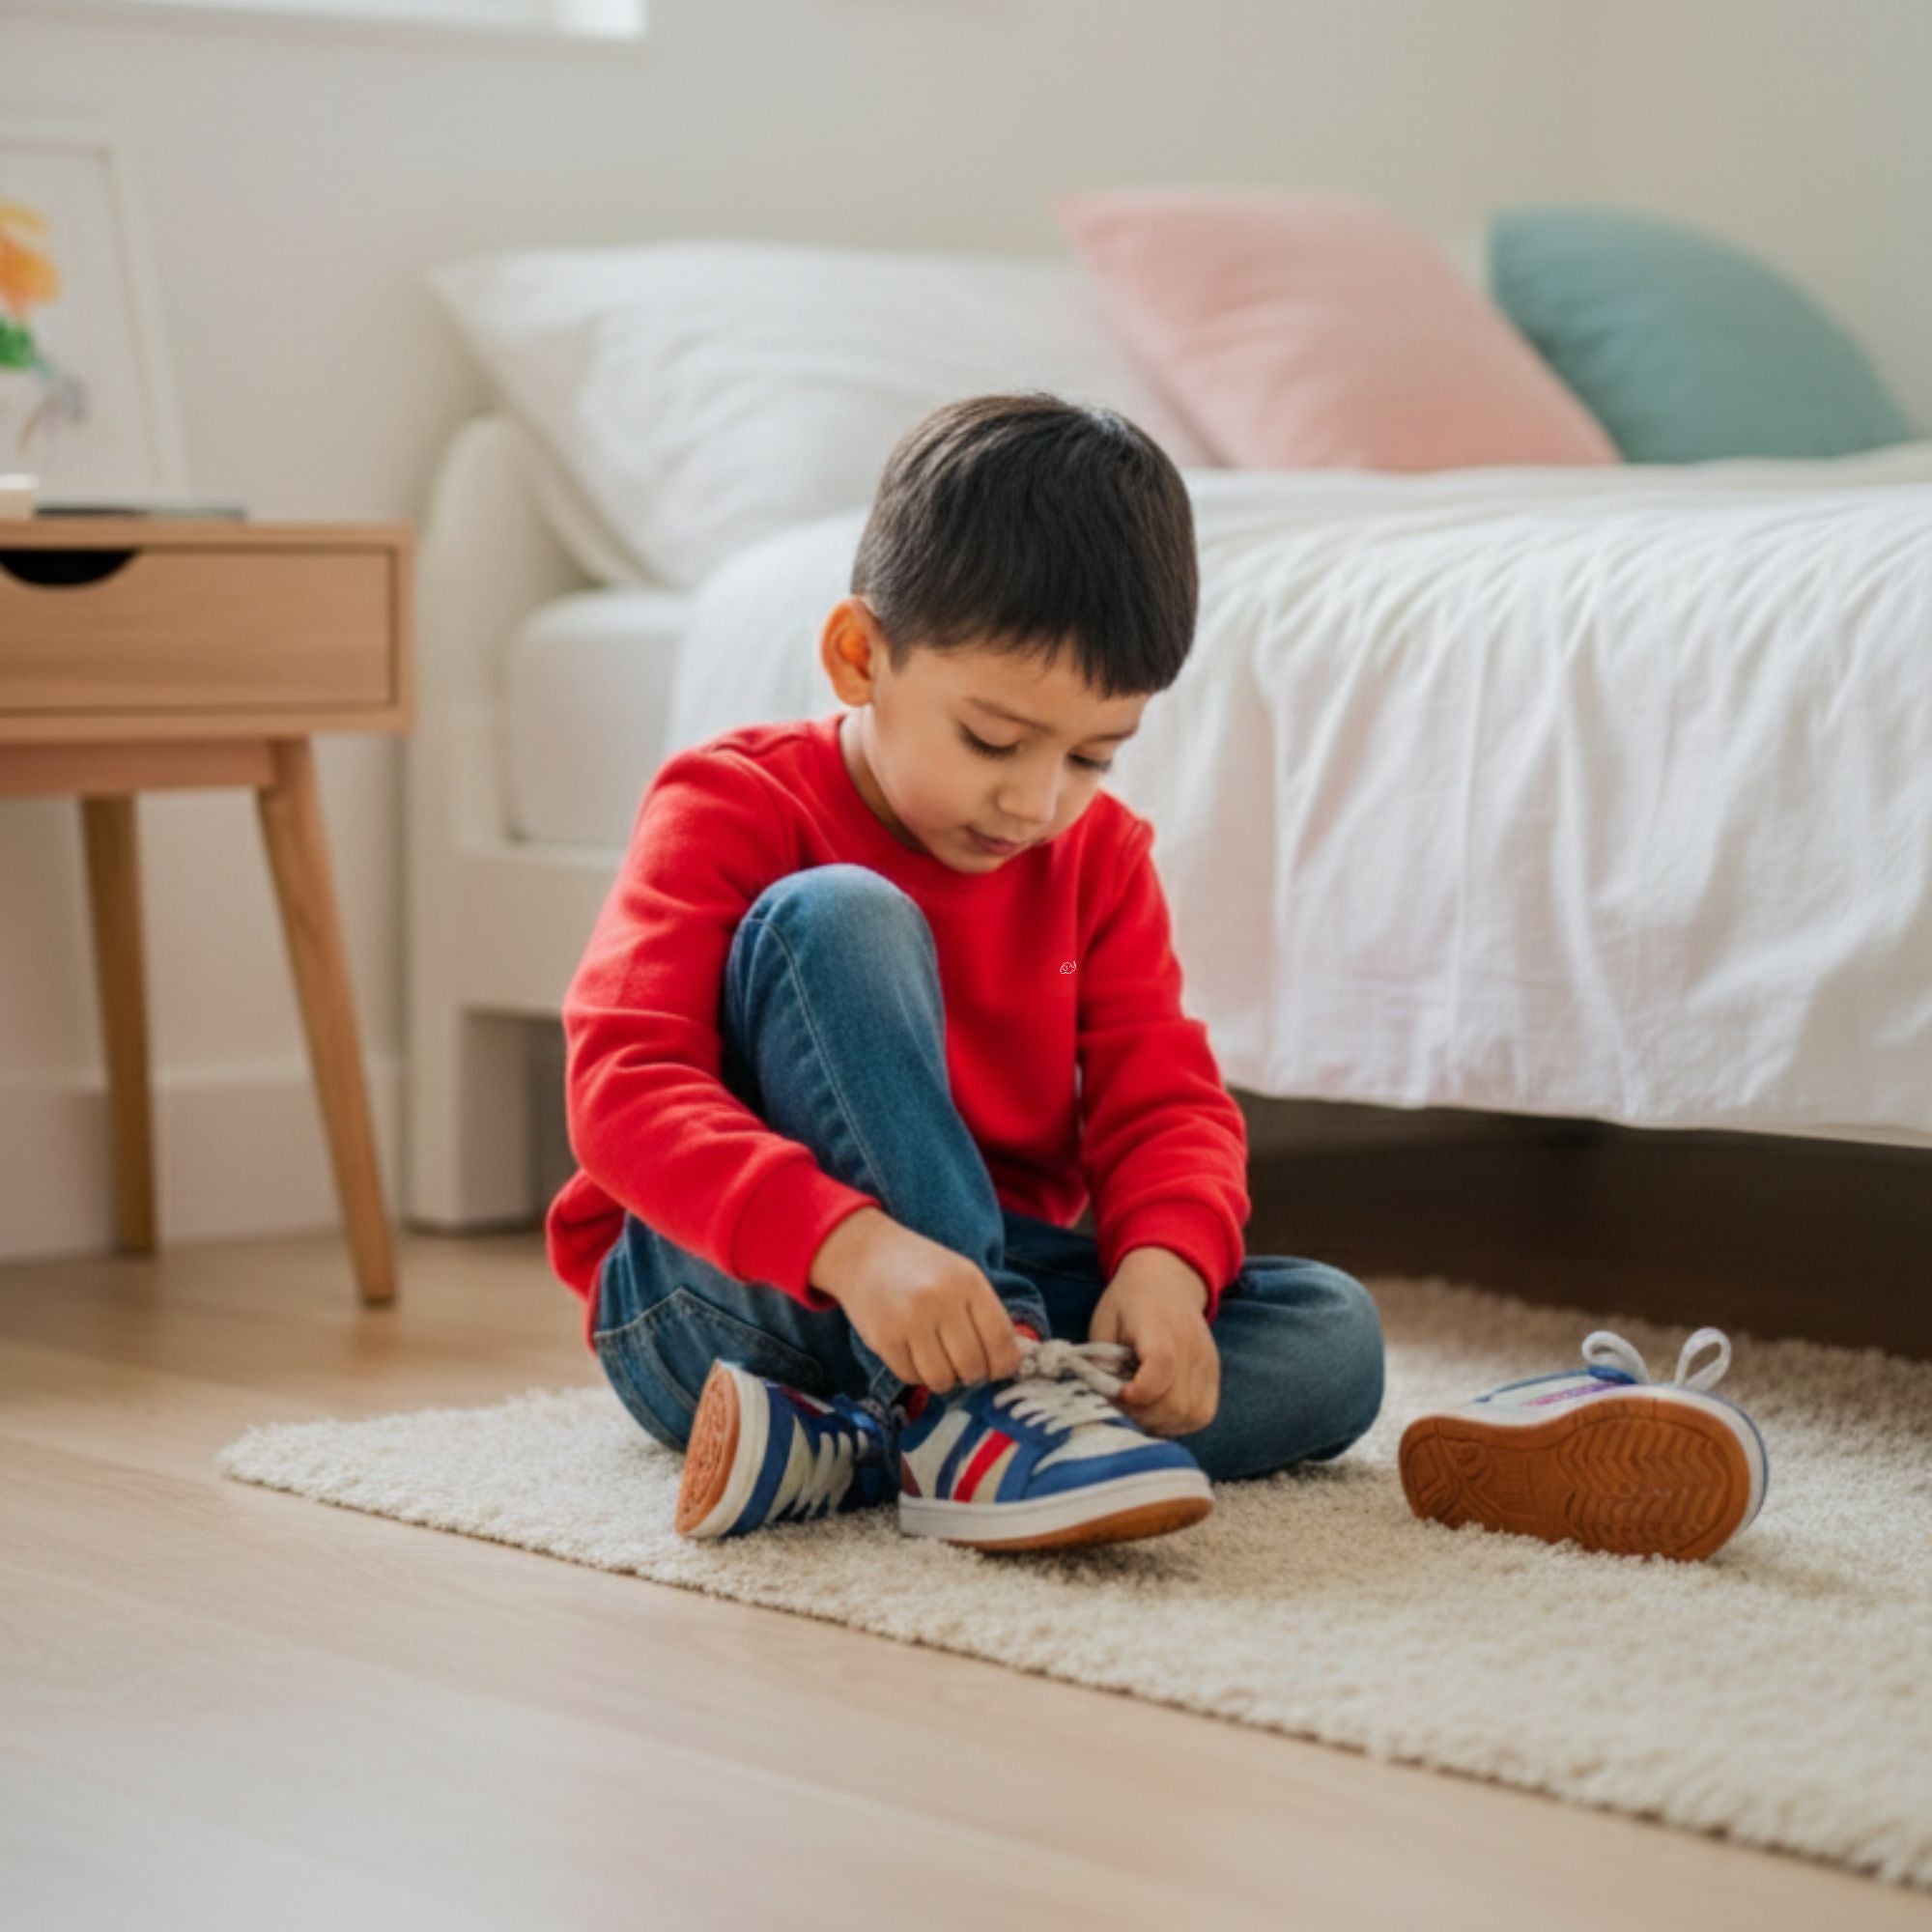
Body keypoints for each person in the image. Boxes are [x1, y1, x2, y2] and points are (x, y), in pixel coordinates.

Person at [544, 391, 1386, 1551]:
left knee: (1331, 1335)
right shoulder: (732, 803)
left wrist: (1164, 1270)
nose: (1035, 801)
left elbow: (1164, 1098)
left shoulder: (1100, 860)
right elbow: (622, 1091)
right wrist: (859, 1248)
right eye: (993, 740)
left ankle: (860, 1442)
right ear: (859, 656)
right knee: (835, 914)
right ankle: (976, 1417)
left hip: (989, 1296)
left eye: (1091, 754)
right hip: (733, 1290)